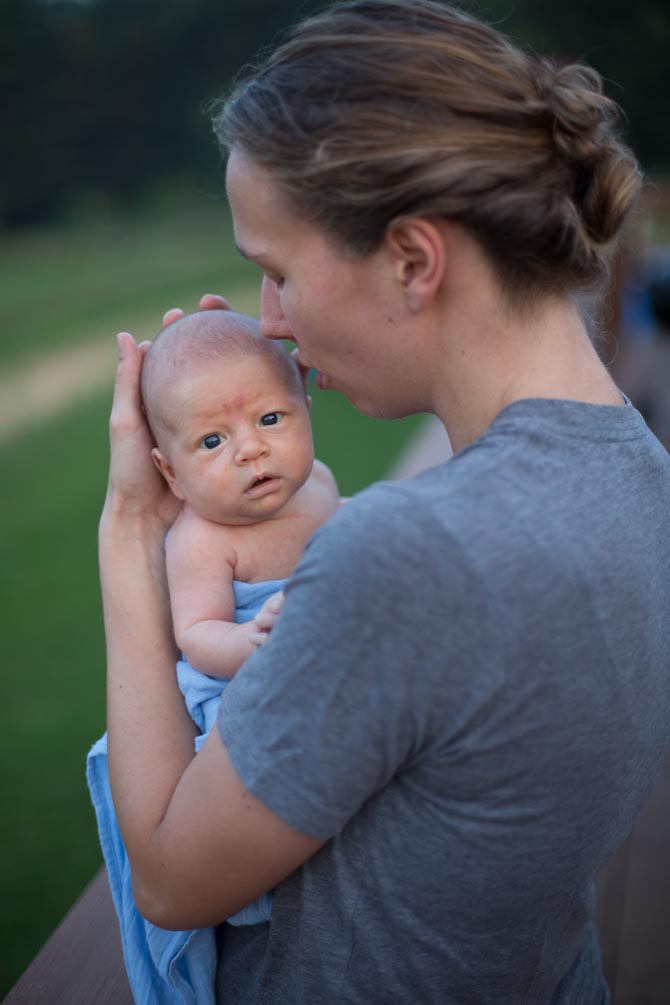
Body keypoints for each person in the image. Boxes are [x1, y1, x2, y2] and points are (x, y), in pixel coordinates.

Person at [98, 1, 670, 1003]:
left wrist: (134, 523)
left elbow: (170, 879)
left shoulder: (407, 553)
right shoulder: (636, 464)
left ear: (412, 258)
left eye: (275, 272)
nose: (269, 325)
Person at [88, 309, 339, 1004]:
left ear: (305, 406)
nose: (251, 452)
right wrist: (251, 640)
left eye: (269, 420)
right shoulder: (203, 537)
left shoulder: (317, 483)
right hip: (237, 675)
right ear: (168, 471)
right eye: (211, 440)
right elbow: (196, 632)